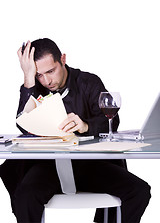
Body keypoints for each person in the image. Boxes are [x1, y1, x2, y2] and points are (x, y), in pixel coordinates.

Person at [0, 38, 151, 223]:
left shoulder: (88, 82)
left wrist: (86, 126)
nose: (46, 80)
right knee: (25, 195)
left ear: (62, 59)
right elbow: (23, 125)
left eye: (50, 71)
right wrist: (28, 79)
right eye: (39, 75)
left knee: (139, 191)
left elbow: (112, 121)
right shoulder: (34, 87)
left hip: (91, 166)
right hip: (48, 168)